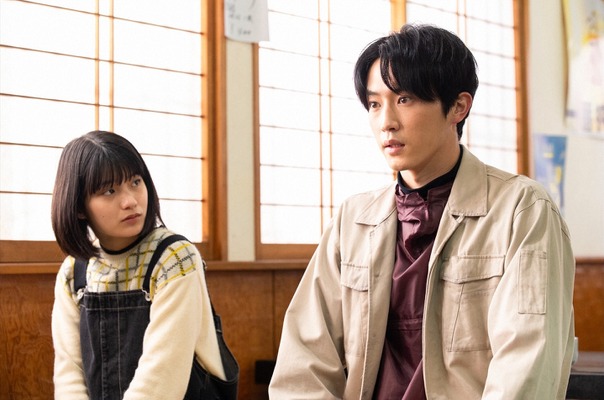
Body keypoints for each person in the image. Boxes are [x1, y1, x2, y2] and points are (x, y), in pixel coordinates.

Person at [269, 24, 575, 399]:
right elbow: (303, 362)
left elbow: (526, 367)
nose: (386, 122)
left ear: (458, 107)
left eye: (405, 99)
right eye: (375, 104)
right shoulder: (352, 219)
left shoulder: (522, 210)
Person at [51, 130, 226, 399]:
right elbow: (69, 375)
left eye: (135, 181)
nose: (131, 201)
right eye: (109, 190)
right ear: (79, 207)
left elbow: (161, 379)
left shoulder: (175, 258)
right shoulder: (74, 271)